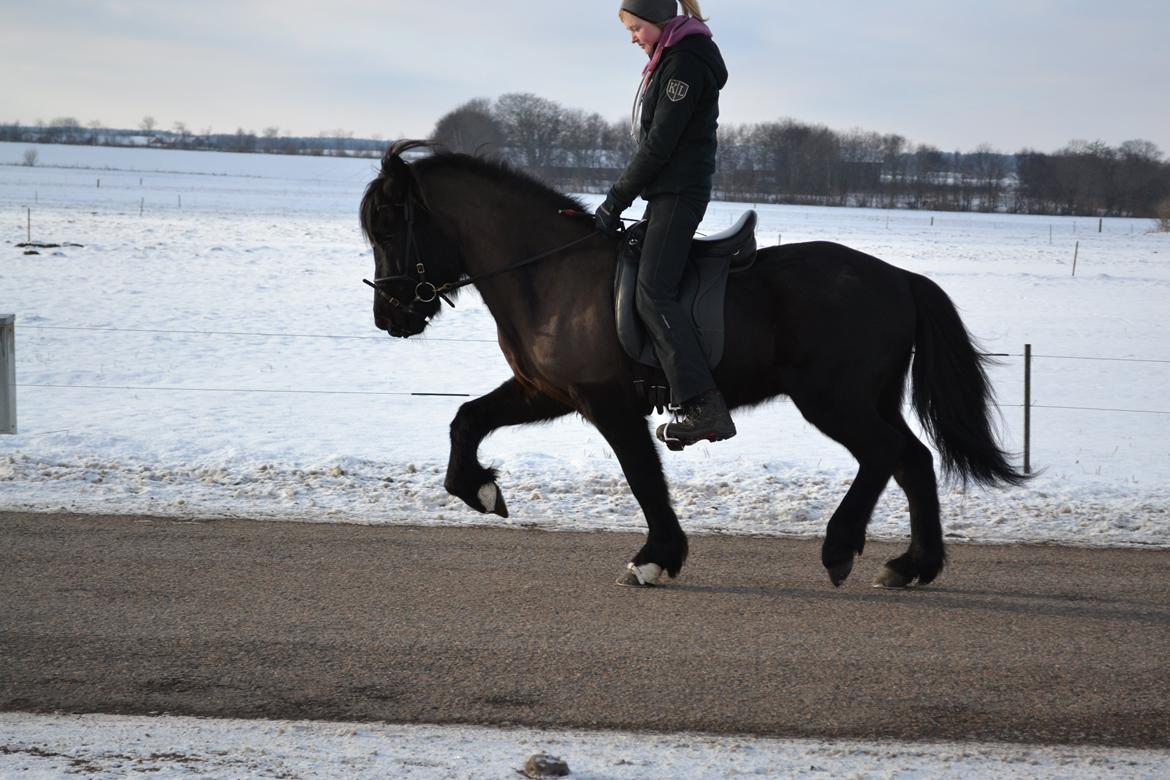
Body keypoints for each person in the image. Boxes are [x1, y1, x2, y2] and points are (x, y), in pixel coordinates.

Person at [594, 0, 736, 449]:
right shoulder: (672, 58)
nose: (633, 37)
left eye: (636, 28)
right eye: (630, 30)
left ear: (657, 22)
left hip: (678, 193)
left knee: (654, 290)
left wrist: (616, 200)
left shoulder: (685, 63)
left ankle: (703, 404)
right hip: (667, 192)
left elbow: (659, 146)